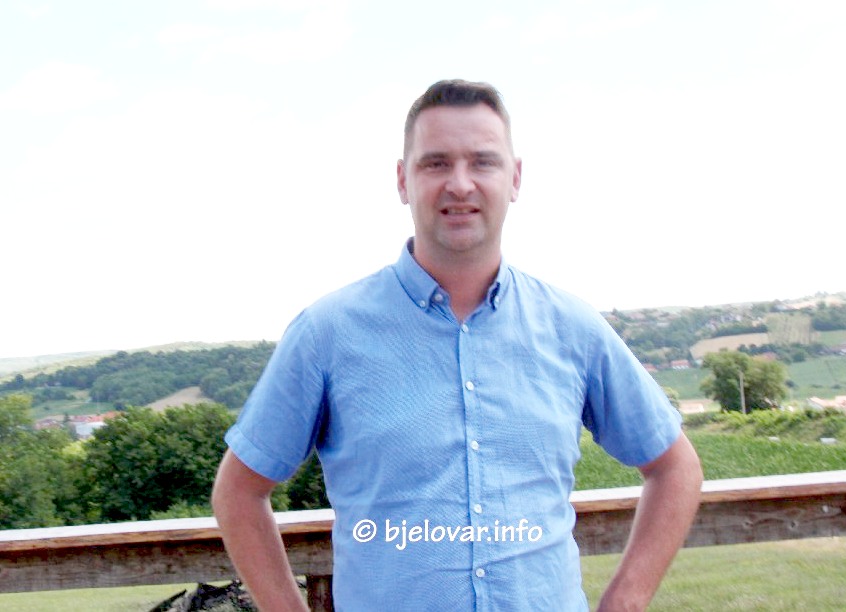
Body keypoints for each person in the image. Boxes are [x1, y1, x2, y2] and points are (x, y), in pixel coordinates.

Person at [212, 79, 703, 611]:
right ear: (403, 180)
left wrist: (625, 601)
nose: (460, 184)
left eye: (483, 162)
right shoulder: (326, 334)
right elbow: (239, 492)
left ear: (515, 178)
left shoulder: (573, 328)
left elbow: (675, 468)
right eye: (436, 163)